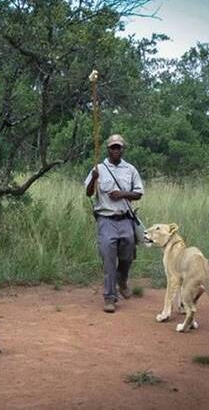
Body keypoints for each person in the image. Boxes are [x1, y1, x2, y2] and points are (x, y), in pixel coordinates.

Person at [85, 134, 144, 313]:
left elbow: (139, 193)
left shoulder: (130, 169)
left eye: (119, 147)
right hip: (106, 219)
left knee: (127, 256)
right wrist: (94, 178)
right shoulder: (98, 168)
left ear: (123, 149)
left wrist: (122, 194)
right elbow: (88, 193)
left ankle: (122, 280)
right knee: (109, 260)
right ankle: (110, 297)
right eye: (113, 147)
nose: (116, 150)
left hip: (125, 218)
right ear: (108, 149)